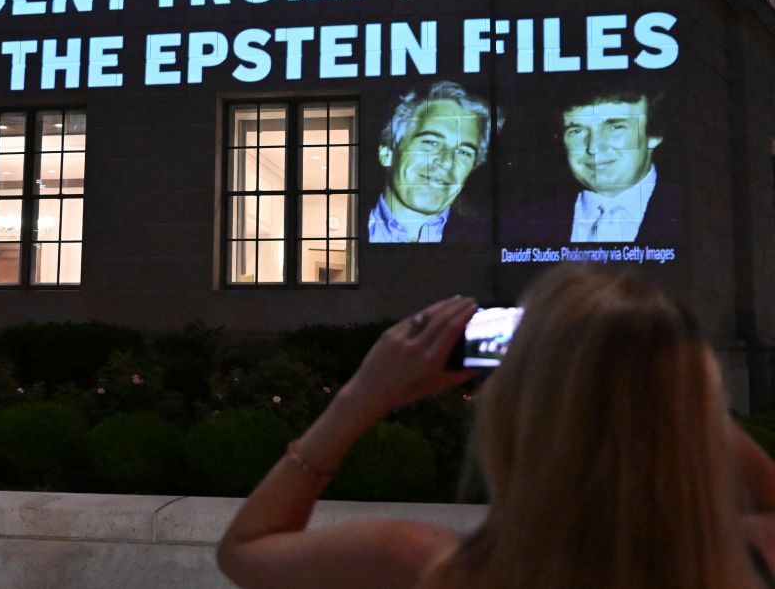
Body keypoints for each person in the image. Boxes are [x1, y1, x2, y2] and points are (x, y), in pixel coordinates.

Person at [217, 264, 775, 589]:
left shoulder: (421, 563)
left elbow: (245, 551)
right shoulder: (750, 558)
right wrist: (651, 382)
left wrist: (362, 395)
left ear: (512, 412)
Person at [368, 81, 501, 244]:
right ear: (387, 152)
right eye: (431, 142)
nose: (447, 162)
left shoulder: (490, 242)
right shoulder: (346, 231)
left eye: (464, 152)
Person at [560, 87, 678, 243]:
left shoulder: (698, 214)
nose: (593, 147)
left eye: (616, 127)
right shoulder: (526, 221)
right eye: (577, 131)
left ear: (654, 135)